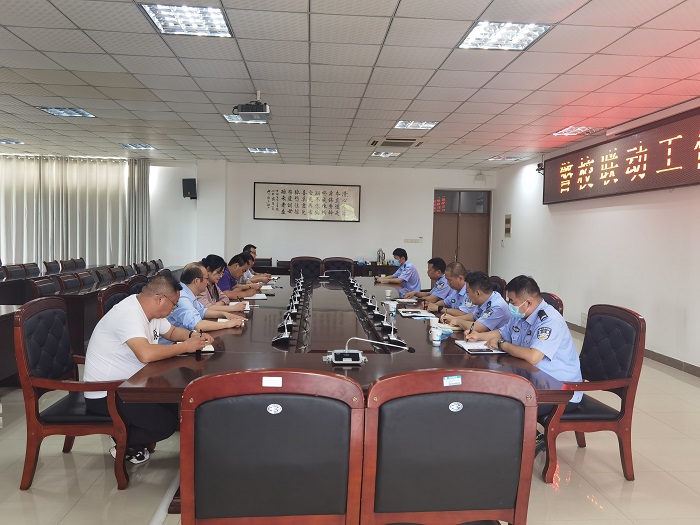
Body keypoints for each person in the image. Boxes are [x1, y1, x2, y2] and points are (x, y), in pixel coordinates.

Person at [84, 274, 213, 463]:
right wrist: (185, 347)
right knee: (165, 425)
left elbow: (171, 332)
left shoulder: (150, 311)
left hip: (133, 385)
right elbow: (145, 354)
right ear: (160, 299)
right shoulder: (129, 313)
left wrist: (194, 336)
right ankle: (124, 442)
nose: (174, 308)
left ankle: (134, 442)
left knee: (175, 406)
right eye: (174, 304)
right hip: (107, 393)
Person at [465, 275, 583, 454]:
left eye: (512, 301)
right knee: (488, 392)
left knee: (504, 404)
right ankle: (503, 442)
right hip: (533, 379)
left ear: (528, 302)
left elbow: (533, 356)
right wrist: (478, 336)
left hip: (558, 389)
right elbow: (503, 332)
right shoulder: (522, 313)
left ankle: (531, 440)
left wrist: (503, 345)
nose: (510, 305)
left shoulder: (549, 320)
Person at [167, 262, 245, 333]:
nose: (207, 282)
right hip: (174, 342)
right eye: (206, 278)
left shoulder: (189, 292)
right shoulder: (182, 297)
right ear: (197, 281)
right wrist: (228, 324)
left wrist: (225, 314)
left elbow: (202, 311)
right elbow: (199, 325)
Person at [442, 271, 511, 334]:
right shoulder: (487, 298)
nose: (467, 295)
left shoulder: (497, 306)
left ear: (477, 293)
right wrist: (453, 318)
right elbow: (473, 316)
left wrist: (458, 321)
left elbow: (476, 328)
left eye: (468, 292)